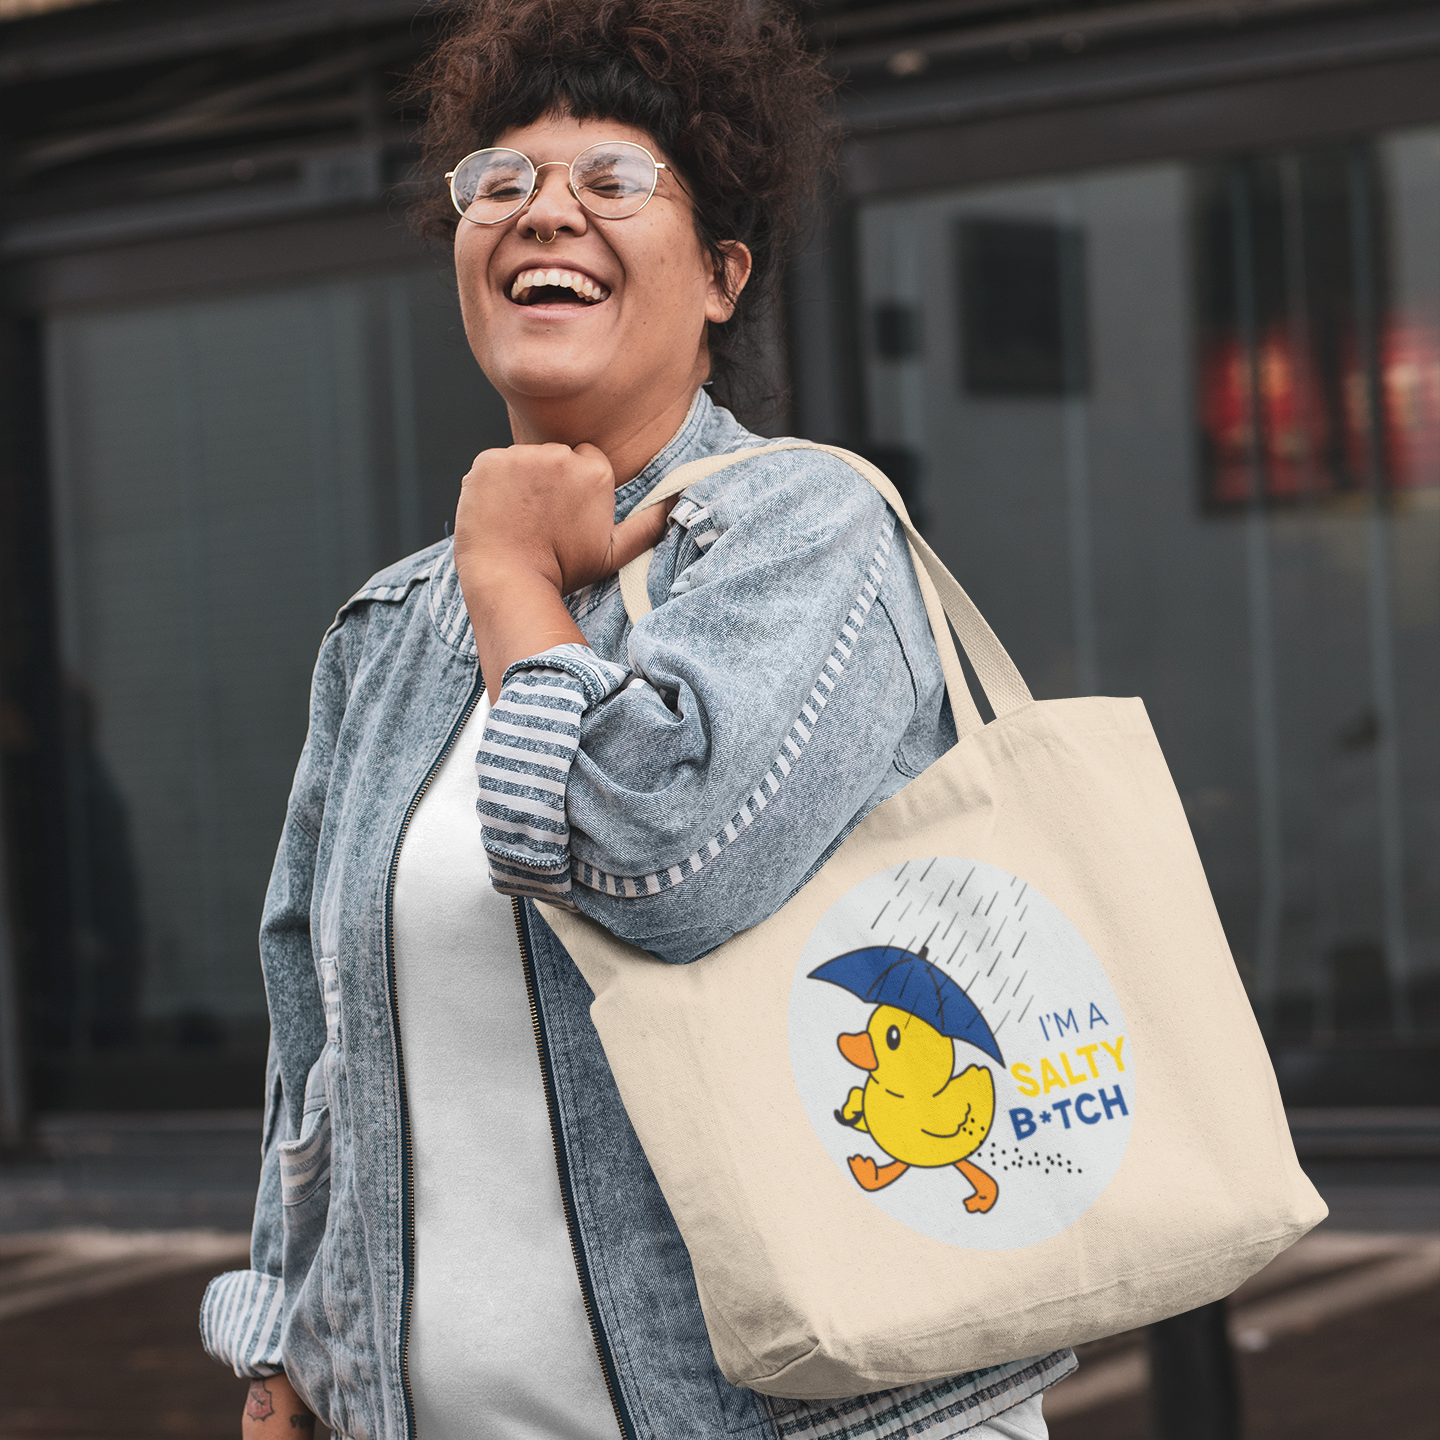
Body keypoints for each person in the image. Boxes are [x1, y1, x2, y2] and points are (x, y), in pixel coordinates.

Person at [201, 3, 1077, 1437]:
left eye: (613, 179)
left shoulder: (802, 529)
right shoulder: (384, 636)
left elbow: (659, 865)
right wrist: (286, 1345)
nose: (545, 207)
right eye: (502, 180)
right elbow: (319, 1048)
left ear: (724, 275)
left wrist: (510, 576)